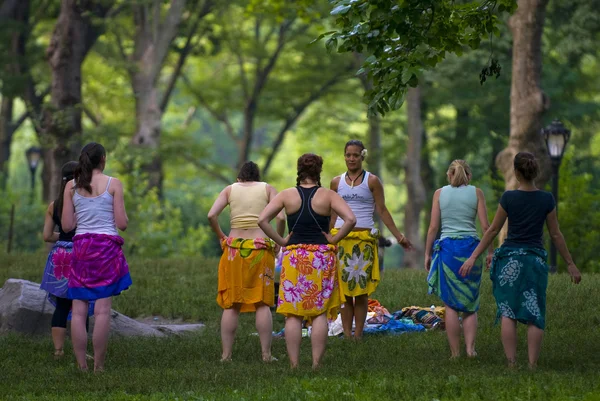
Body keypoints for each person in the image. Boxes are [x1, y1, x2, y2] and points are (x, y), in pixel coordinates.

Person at [459, 152, 582, 369]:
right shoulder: (546, 199)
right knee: (535, 311)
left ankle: (511, 363)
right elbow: (555, 234)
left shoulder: (509, 198)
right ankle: (532, 364)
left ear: (516, 173)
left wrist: (473, 257)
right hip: (534, 262)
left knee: (508, 311)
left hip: (510, 260)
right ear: (536, 172)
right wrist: (570, 264)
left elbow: (493, 230)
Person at [258, 153, 356, 369]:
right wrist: (334, 238)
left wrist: (282, 241)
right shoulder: (328, 195)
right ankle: (315, 364)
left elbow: (262, 220)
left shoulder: (286, 195)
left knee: (293, 314)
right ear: (318, 171)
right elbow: (351, 219)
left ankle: (294, 365)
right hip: (321, 257)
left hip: (294, 258)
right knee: (319, 311)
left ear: (299, 170)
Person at [329, 140, 413, 339]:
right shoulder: (335, 182)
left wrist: (399, 236)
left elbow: (382, 210)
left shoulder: (372, 181)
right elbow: (332, 213)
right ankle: (347, 335)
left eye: (355, 155)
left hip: (363, 242)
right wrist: (327, 237)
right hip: (341, 240)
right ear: (344, 156)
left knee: (360, 292)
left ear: (362, 156)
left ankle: (358, 334)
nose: (351, 159)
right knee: (345, 293)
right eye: (348, 155)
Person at [62, 142, 131, 372]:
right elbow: (121, 224)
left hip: (81, 249)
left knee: (78, 311)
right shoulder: (113, 184)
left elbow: (67, 225)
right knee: (102, 311)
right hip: (106, 250)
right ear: (103, 159)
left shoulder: (72, 186)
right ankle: (98, 365)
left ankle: (81, 365)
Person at [207, 161, 285, 362]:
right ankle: (266, 355)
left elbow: (211, 215)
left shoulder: (230, 189)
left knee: (232, 304)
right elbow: (282, 217)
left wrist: (221, 236)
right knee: (262, 303)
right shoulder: (267, 189)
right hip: (261, 249)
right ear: (257, 177)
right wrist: (277, 241)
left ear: (239, 177)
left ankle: (226, 355)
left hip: (234, 249)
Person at [424, 160, 493, 359]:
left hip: (448, 251)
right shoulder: (476, 193)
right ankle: (471, 350)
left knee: (451, 305)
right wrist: (489, 252)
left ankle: (455, 354)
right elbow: (486, 227)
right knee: (470, 304)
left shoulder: (439, 194)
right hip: (472, 249)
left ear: (449, 175)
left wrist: (427, 253)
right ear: (469, 176)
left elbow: (432, 228)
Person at [41, 161, 92, 359]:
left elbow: (46, 235)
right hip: (82, 254)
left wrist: (63, 238)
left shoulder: (54, 205)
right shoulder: (85, 201)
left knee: (62, 304)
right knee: (82, 303)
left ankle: (58, 350)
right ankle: (83, 352)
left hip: (61, 255)